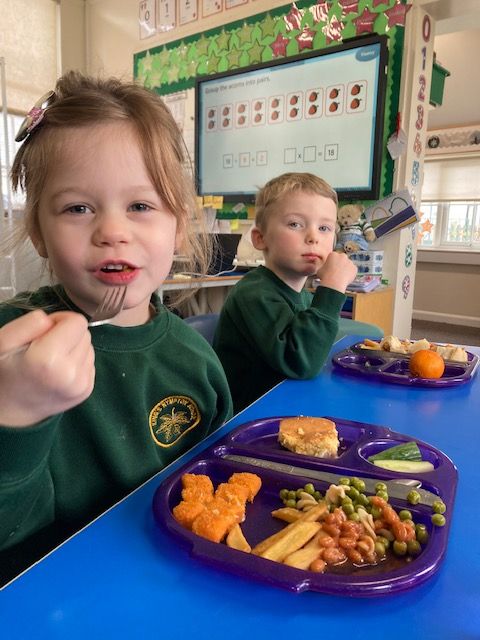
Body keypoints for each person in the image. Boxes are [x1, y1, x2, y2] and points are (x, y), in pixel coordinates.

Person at [0, 72, 232, 584]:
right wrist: (13, 413)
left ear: (178, 227)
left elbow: (224, 495)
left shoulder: (195, 359)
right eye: (78, 208)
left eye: (141, 206)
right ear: (39, 232)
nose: (112, 231)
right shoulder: (9, 351)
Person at [213, 172, 357, 413]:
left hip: (288, 406)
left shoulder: (305, 296)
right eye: (295, 224)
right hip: (247, 423)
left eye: (324, 228)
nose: (313, 237)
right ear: (260, 238)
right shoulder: (254, 293)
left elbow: (317, 348)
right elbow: (302, 362)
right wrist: (331, 289)